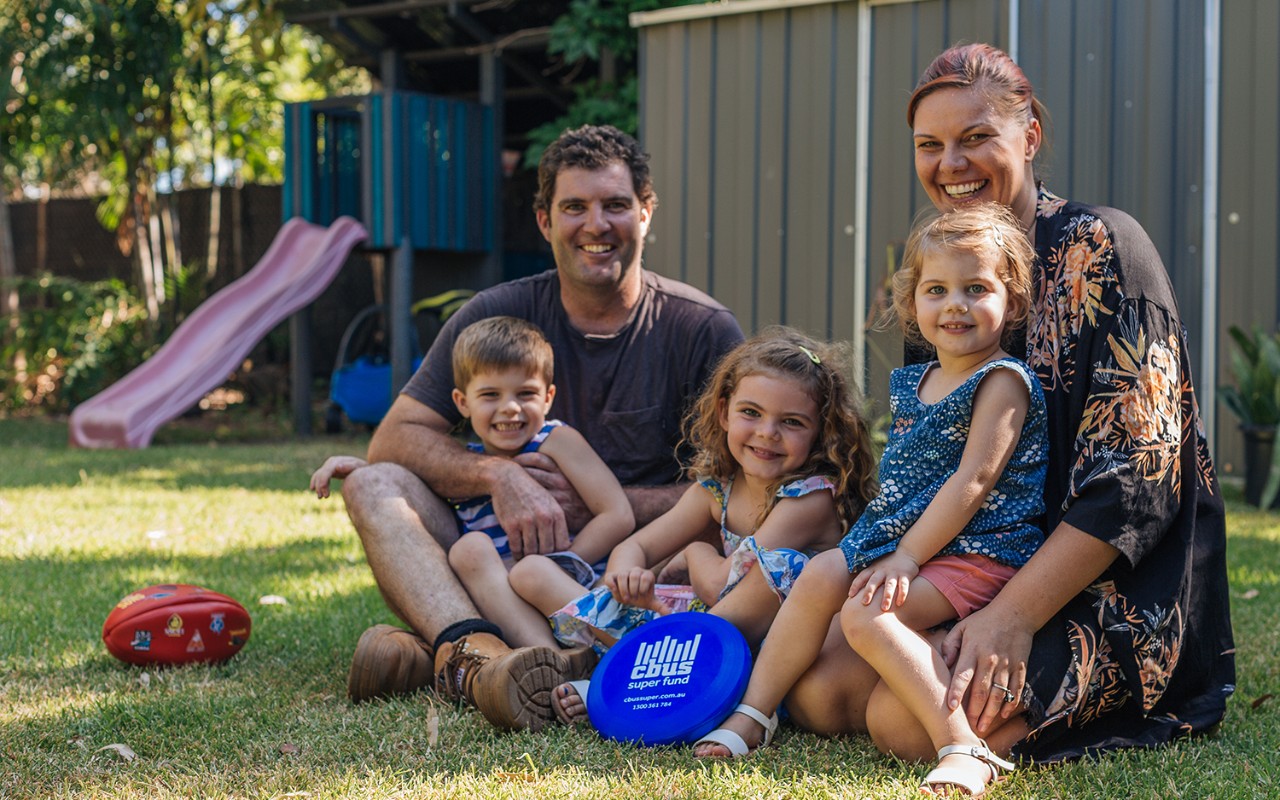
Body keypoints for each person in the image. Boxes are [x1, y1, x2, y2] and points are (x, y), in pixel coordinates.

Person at [756, 41, 1232, 784]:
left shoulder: (1103, 246)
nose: (952, 163)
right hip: (973, 562)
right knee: (820, 692)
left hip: (1110, 585)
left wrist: (1012, 615)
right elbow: (936, 465)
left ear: (1029, 137)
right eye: (930, 145)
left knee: (893, 720)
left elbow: (1137, 481)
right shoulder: (943, 274)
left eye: (977, 137)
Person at [336, 124, 744, 732]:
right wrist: (498, 475)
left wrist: (601, 507)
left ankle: (447, 653)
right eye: (574, 207)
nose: (596, 226)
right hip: (500, 551)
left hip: (639, 562)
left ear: (646, 213)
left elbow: (743, 483)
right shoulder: (495, 316)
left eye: (615, 205)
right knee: (373, 483)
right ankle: (481, 655)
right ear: (545, 221)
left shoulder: (701, 329)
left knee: (706, 552)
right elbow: (394, 438)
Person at [694, 206, 1049, 795]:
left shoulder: (1002, 381)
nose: (955, 304)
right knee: (818, 575)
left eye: (976, 289)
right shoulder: (917, 381)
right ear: (913, 306)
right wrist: (891, 549)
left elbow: (973, 482)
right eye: (937, 290)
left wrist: (906, 558)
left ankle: (962, 746)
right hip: (909, 544)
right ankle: (755, 713)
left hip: (980, 551)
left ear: (1011, 303)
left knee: (867, 613)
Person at [505, 328, 878, 726]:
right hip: (701, 627)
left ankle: (623, 676)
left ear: (821, 433)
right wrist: (624, 575)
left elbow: (725, 586)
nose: (768, 433)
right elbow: (638, 547)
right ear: (723, 412)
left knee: (777, 570)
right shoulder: (715, 491)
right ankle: (636, 669)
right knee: (531, 572)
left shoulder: (810, 499)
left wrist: (695, 552)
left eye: (791, 422)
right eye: (751, 413)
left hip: (760, 650)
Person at [311, 316, 635, 650]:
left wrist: (565, 562)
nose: (510, 408)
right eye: (490, 395)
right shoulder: (465, 463)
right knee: (469, 550)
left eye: (526, 393)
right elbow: (404, 488)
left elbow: (617, 513)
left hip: (570, 591)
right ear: (463, 403)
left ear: (548, 397)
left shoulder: (556, 441)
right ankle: (544, 661)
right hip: (507, 607)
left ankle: (584, 650)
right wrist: (358, 468)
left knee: (532, 572)